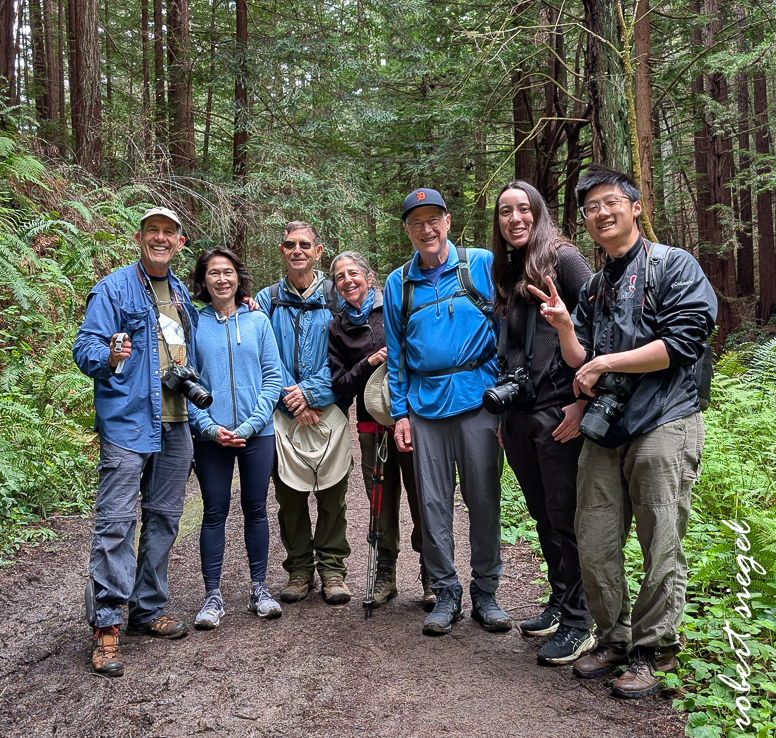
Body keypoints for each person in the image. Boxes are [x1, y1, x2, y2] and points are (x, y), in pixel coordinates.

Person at [530, 164, 717, 697]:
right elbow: (580, 362)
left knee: (662, 541)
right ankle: (613, 639)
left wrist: (605, 364)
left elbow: (682, 343)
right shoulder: (594, 285)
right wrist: (566, 327)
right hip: (607, 428)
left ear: (635, 207)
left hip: (666, 419)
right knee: (593, 538)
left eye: (611, 202)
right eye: (591, 209)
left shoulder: (672, 266)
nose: (601, 213)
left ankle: (652, 651)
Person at [73, 206, 199, 677]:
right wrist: (108, 353)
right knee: (117, 523)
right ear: (139, 237)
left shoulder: (182, 293)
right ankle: (107, 625)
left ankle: (147, 608)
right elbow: (84, 349)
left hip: (176, 423)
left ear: (179, 243)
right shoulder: (114, 288)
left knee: (164, 519)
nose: (161, 238)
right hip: (128, 423)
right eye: (153, 231)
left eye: (170, 231)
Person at [383, 188, 511, 636]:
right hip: (424, 408)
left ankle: (486, 593)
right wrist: (400, 413)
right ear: (407, 230)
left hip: (479, 400)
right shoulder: (398, 283)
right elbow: (396, 354)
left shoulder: (480, 264)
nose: (426, 229)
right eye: (416, 222)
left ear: (448, 221)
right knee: (433, 505)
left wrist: (502, 401)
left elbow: (505, 332)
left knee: (483, 500)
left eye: (433, 219)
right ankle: (445, 592)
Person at [490, 181, 595, 664]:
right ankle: (559, 601)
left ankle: (580, 621)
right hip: (520, 413)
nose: (515, 218)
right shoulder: (507, 269)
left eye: (523, 209)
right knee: (540, 515)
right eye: (505, 211)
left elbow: (600, 329)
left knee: (565, 518)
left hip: (559, 410)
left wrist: (582, 404)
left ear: (539, 212)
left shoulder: (565, 260)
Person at [327, 251, 432, 611]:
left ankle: (431, 572)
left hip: (413, 420)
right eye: (340, 277)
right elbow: (340, 384)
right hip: (372, 425)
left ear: (369, 278)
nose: (347, 280)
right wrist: (368, 362)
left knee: (423, 496)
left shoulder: (395, 308)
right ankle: (385, 572)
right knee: (381, 503)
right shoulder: (338, 326)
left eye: (353, 273)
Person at [256, 221, 353, 606]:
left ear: (318, 250)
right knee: (289, 494)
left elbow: (353, 352)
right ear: (281, 251)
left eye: (305, 245)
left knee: (333, 493)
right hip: (283, 413)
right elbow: (262, 355)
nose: (297, 250)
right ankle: (299, 569)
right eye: (290, 245)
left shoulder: (338, 298)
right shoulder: (266, 300)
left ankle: (332, 570)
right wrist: (290, 398)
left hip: (330, 409)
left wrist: (312, 394)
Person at [187, 248, 284, 629]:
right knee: (214, 512)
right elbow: (187, 381)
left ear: (238, 278)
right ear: (204, 280)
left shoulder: (259, 321)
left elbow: (272, 378)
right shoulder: (193, 323)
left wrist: (248, 425)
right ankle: (212, 596)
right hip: (210, 435)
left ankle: (259, 589)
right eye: (214, 273)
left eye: (228, 272)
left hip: (257, 433)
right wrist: (209, 427)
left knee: (256, 507)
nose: (222, 279)